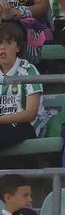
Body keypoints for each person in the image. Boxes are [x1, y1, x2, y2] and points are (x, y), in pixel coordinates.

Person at [0, 24, 41, 158]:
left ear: (18, 47)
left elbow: (30, 114)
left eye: (8, 42)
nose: (2, 47)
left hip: (25, 126)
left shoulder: (28, 70)